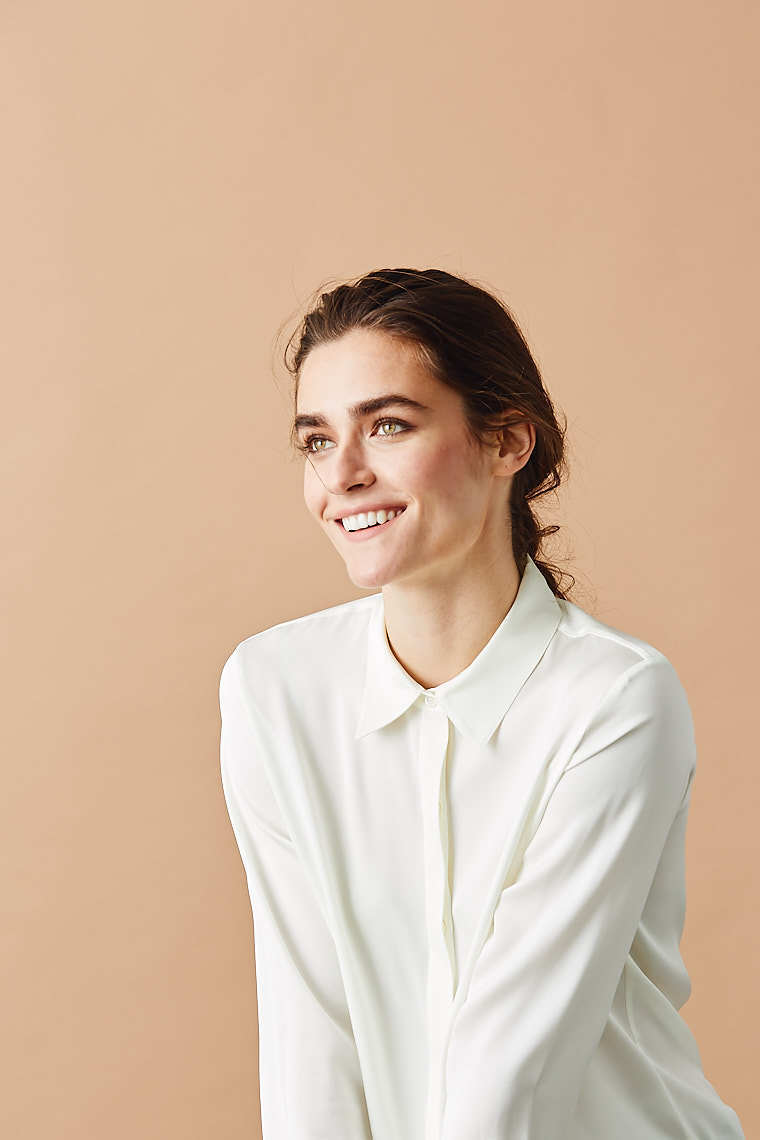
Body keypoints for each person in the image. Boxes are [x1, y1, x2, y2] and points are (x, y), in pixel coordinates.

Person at [218, 268, 745, 1139]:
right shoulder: (274, 689)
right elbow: (310, 1023)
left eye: (387, 426)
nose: (342, 475)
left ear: (507, 442)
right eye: (316, 440)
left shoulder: (613, 700)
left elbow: (514, 1071)